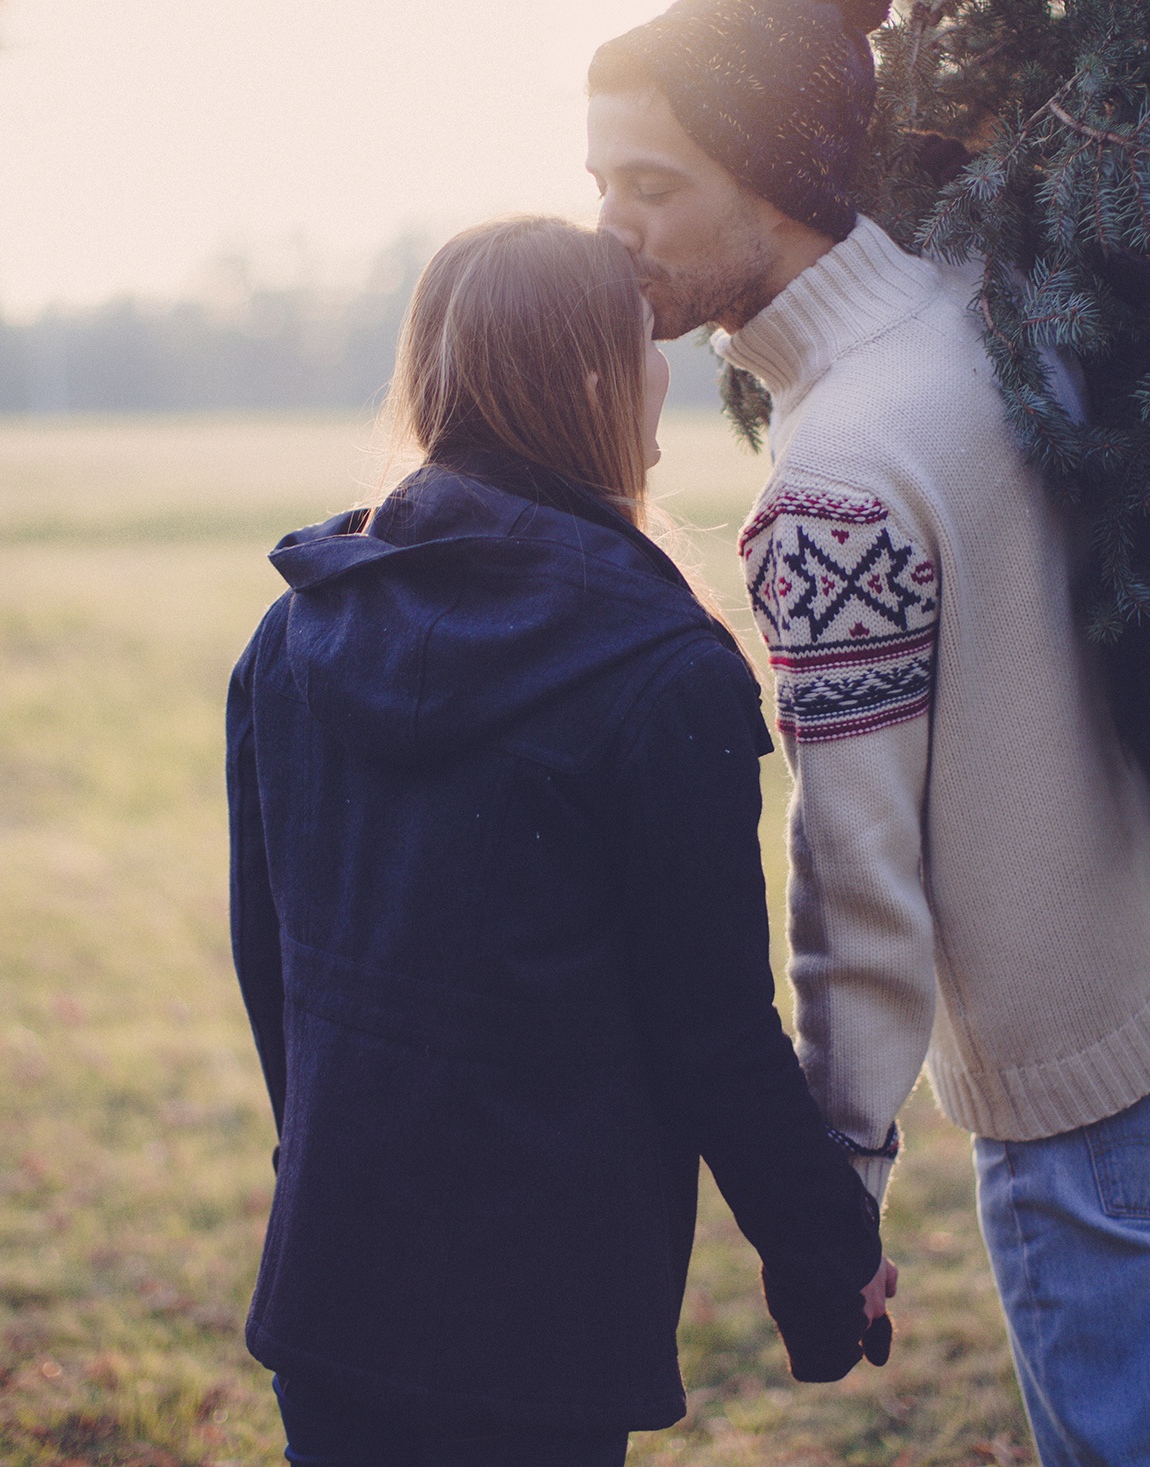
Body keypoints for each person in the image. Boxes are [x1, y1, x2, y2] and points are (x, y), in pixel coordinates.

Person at [585, 4, 1150, 1465]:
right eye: (601, 184)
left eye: (653, 186)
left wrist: (838, 1185)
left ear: (771, 174)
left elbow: (859, 881)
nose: (611, 228)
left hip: (1080, 1052)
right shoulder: (978, 294)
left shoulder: (833, 479)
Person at [224, 215, 891, 1467]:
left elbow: (277, 978)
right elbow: (712, 1031)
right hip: (541, 1322)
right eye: (644, 343)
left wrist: (326, 1166)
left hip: (336, 1276)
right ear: (591, 378)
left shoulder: (293, 638)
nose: (665, 371)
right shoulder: (661, 679)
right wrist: (828, 1260)